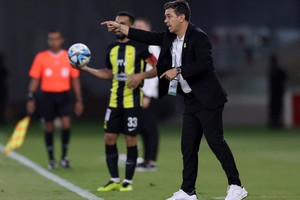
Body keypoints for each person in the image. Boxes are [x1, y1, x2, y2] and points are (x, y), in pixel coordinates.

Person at [101, 1, 248, 200]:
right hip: (190, 99)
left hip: (208, 99)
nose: (165, 20)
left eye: (169, 16)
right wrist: (121, 27)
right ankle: (188, 191)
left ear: (182, 17)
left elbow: (204, 64)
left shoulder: (199, 37)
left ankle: (236, 186)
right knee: (188, 146)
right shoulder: (170, 37)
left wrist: (178, 70)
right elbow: (147, 36)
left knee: (215, 142)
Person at [80, 12, 157, 192]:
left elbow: (157, 66)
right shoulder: (111, 48)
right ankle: (114, 178)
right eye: (116, 23)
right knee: (109, 137)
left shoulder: (140, 47)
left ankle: (127, 182)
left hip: (132, 101)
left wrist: (141, 76)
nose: (117, 26)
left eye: (122, 23)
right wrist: (86, 69)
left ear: (129, 27)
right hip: (114, 101)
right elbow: (108, 74)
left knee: (130, 138)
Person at [27, 29, 84, 170]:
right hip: (47, 96)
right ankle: (51, 158)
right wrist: (30, 97)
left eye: (56, 39)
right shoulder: (41, 57)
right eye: (51, 39)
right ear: (48, 40)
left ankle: (64, 157)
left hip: (64, 95)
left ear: (61, 40)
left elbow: (75, 79)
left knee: (66, 123)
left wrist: (79, 100)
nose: (53, 42)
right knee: (49, 126)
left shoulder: (69, 57)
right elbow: (35, 79)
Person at [134, 18, 160, 172]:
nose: (137, 28)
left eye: (141, 27)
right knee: (142, 128)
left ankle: (151, 161)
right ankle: (145, 159)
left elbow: (155, 71)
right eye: (136, 26)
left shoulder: (151, 47)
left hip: (148, 95)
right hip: (139, 93)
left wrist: (147, 95)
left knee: (149, 128)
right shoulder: (138, 45)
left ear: (148, 29)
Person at [268, 54, 286, 128]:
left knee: (277, 109)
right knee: (274, 109)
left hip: (277, 94)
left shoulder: (277, 71)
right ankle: (274, 123)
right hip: (274, 94)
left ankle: (277, 123)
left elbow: (284, 79)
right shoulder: (272, 71)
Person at [0, 54, 8, 125]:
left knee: (2, 106)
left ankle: (2, 119)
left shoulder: (2, 69)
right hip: (2, 90)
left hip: (2, 90)